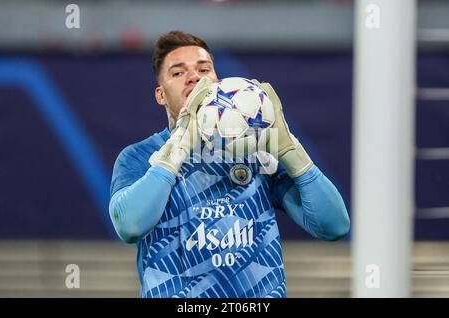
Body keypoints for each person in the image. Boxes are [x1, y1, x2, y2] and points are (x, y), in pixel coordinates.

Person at [109, 31, 350, 298]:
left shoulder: (256, 152)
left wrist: (290, 150)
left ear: (217, 82)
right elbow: (129, 226)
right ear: (160, 95)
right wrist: (178, 147)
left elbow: (334, 226)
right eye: (178, 73)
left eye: (204, 69)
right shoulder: (140, 156)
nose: (193, 77)